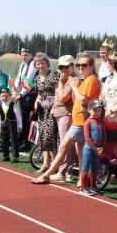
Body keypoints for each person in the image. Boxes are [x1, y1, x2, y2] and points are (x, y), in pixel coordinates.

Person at [33, 54, 100, 186]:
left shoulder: (90, 80)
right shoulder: (86, 80)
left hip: (80, 120)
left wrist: (70, 85)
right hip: (78, 119)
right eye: (79, 65)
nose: (81, 68)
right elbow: (76, 99)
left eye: (84, 65)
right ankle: (82, 179)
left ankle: (48, 174)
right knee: (80, 151)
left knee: (63, 147)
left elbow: (82, 100)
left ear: (91, 66)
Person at [50, 55, 77, 182]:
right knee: (66, 143)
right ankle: (67, 170)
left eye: (66, 66)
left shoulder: (74, 80)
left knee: (65, 144)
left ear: (73, 66)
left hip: (68, 113)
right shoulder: (63, 78)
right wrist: (53, 108)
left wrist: (61, 83)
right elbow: (58, 98)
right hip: (59, 112)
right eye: (61, 67)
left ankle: (64, 171)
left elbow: (64, 98)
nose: (64, 69)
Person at [32, 53, 60, 173]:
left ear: (47, 64)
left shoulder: (53, 75)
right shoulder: (37, 78)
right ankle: (45, 163)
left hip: (51, 109)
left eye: (42, 63)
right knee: (43, 136)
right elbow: (39, 94)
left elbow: (58, 92)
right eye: (38, 64)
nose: (40, 66)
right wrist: (36, 103)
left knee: (51, 137)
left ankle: (55, 164)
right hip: (41, 110)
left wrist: (53, 106)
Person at [80, 99, 106, 196]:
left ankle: (93, 186)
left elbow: (104, 136)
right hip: (89, 148)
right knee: (85, 167)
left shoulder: (102, 122)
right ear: (89, 110)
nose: (97, 112)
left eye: (99, 110)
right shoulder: (88, 122)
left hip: (98, 150)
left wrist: (102, 147)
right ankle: (83, 187)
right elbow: (87, 137)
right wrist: (95, 148)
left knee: (94, 168)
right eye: (95, 110)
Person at [13, 48, 38, 149]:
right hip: (24, 94)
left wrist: (21, 94)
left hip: (32, 94)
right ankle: (22, 138)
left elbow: (29, 80)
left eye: (26, 55)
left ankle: (26, 140)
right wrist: (14, 91)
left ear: (31, 55)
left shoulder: (33, 64)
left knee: (25, 116)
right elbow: (18, 78)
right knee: (22, 115)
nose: (24, 57)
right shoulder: (22, 64)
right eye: (22, 55)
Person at [0, 88, 22, 162]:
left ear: (9, 96)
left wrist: (20, 125)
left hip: (12, 124)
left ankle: (15, 157)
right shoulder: (0, 107)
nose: (4, 97)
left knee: (14, 140)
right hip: (4, 125)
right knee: (4, 140)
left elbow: (18, 116)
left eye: (6, 96)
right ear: (0, 97)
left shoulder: (13, 105)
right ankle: (6, 155)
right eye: (2, 96)